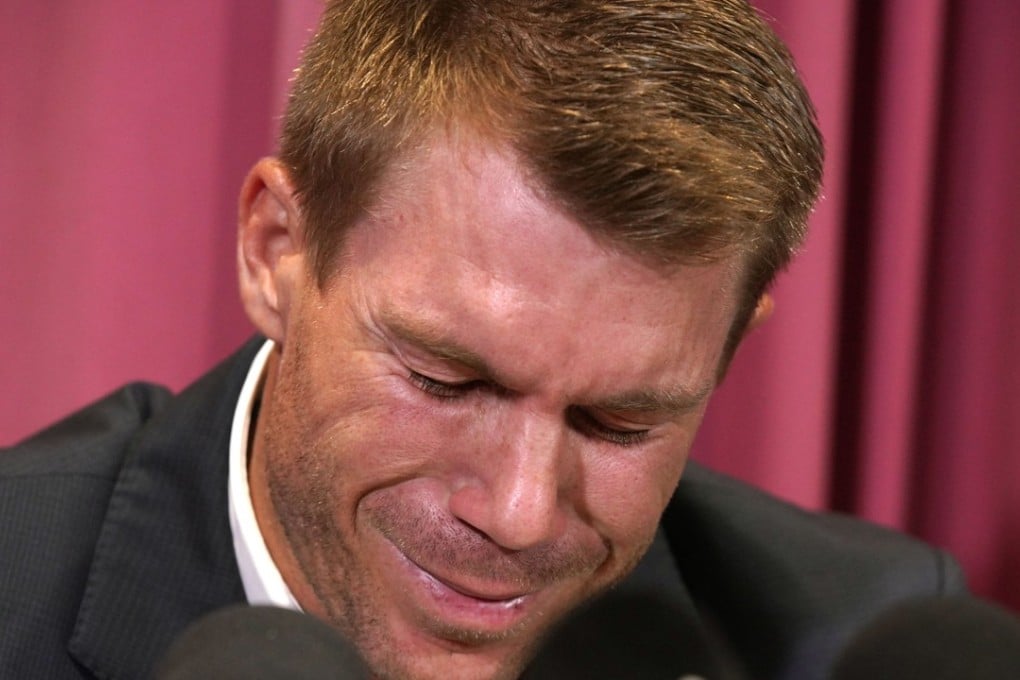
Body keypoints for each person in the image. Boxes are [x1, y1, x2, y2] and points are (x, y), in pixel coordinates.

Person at [0, 1, 966, 679]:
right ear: (277, 254)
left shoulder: (849, 638)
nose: (517, 513)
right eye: (447, 378)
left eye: (617, 422)